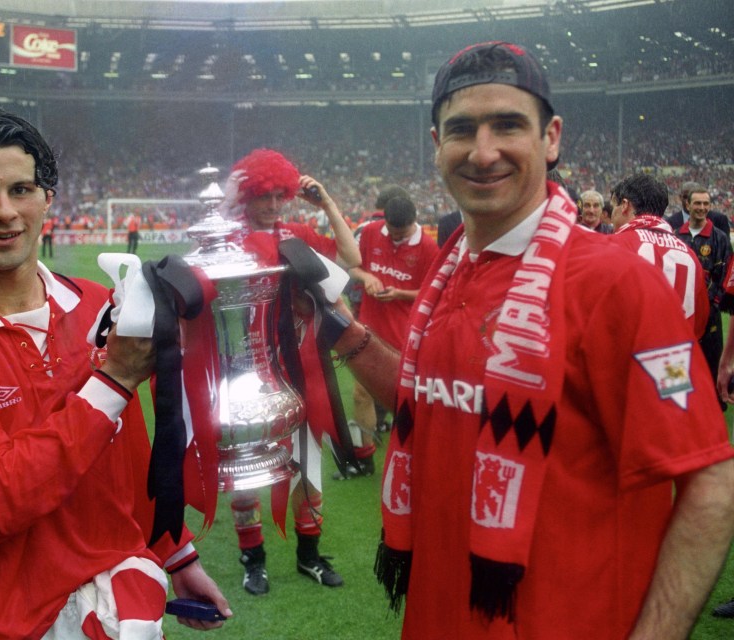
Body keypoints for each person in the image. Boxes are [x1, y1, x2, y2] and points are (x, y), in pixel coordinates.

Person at [329, 41, 734, 639]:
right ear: (436, 143)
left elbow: (708, 481)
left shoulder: (617, 283)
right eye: (462, 128)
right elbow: (439, 401)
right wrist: (337, 326)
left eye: (508, 125)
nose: (483, 151)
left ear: (552, 138)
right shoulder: (451, 271)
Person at [0, 108, 230, 640]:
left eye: (21, 189)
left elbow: (128, 459)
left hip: (114, 608)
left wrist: (177, 557)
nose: (5, 212)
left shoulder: (96, 306)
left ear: (48, 198)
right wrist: (112, 382)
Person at [222, 148, 361, 596]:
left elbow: (350, 257)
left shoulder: (296, 235)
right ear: (247, 196)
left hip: (300, 370)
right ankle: (253, 559)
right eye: (265, 196)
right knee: (246, 474)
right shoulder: (229, 242)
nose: (274, 204)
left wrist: (327, 206)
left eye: (280, 195)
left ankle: (309, 555)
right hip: (245, 373)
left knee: (308, 465)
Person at [338, 195, 439, 479]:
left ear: (413, 223)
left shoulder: (429, 247)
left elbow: (432, 292)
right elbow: (352, 267)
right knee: (361, 393)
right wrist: (365, 277)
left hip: (406, 332)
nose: (396, 238)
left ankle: (415, 460)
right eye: (392, 233)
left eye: (402, 234)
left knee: (405, 401)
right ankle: (364, 459)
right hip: (369, 326)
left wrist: (399, 293)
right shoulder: (370, 232)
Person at [608, 173, 708, 336]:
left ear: (624, 205)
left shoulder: (614, 246)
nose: (612, 215)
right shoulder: (689, 256)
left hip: (630, 356)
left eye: (613, 206)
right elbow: (700, 319)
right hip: (678, 357)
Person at [674, 183, 732, 408]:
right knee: (679, 366)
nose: (702, 207)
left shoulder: (719, 238)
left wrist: (710, 306)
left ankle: (712, 411)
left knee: (710, 366)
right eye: (697, 203)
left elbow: (724, 277)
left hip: (709, 318)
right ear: (687, 204)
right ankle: (679, 409)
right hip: (680, 317)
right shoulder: (676, 235)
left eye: (706, 203)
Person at [666, 180, 731, 236]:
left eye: (692, 198)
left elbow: (725, 247)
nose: (687, 201)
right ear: (680, 197)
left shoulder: (719, 220)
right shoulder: (670, 222)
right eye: (685, 197)